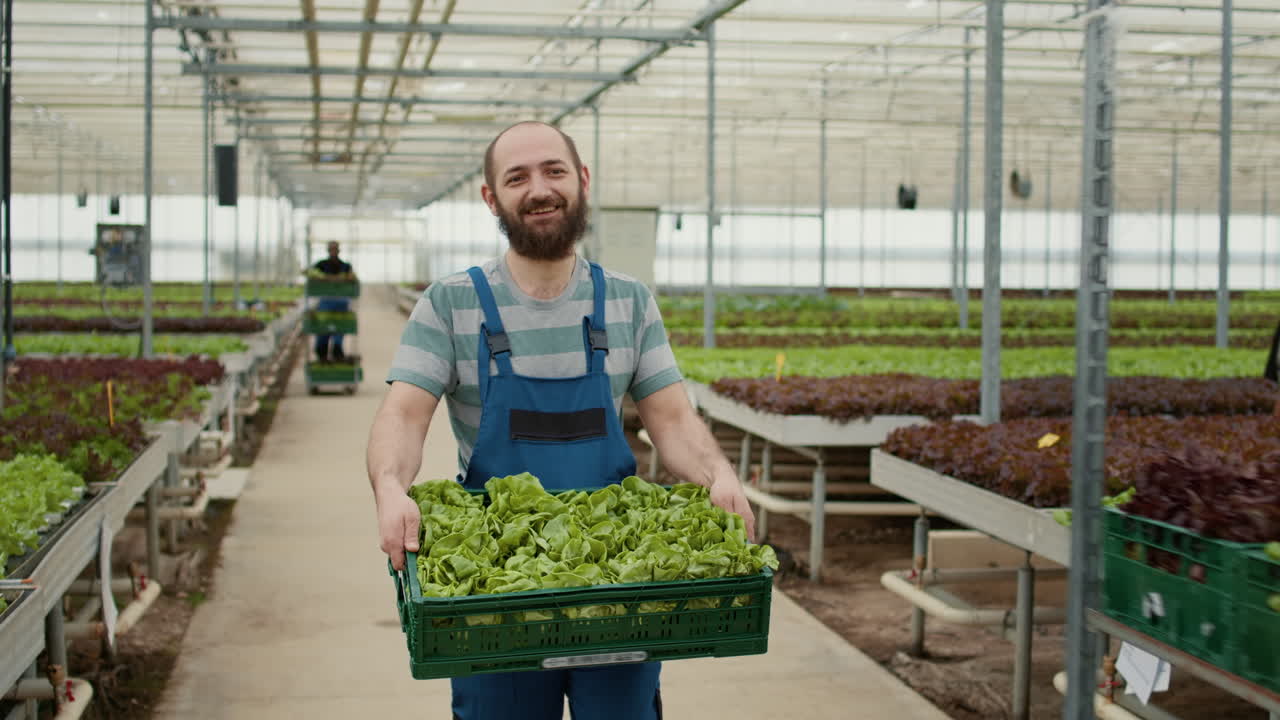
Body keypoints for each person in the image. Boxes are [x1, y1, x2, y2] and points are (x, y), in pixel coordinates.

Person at [366, 121, 756, 720]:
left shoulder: (628, 301)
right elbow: (404, 414)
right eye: (516, 177)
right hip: (498, 587)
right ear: (491, 198)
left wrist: (717, 476)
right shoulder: (449, 304)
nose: (539, 189)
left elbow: (673, 419)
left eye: (554, 170)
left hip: (618, 584)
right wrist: (391, 489)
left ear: (582, 181)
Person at [312, 241, 353, 362]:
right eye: (331, 249)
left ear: (339, 250)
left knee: (339, 330)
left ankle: (337, 351)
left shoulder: (345, 266)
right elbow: (313, 276)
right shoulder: (321, 265)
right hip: (325, 304)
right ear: (328, 250)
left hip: (341, 304)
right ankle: (322, 354)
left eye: (335, 249)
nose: (333, 251)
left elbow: (351, 280)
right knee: (324, 329)